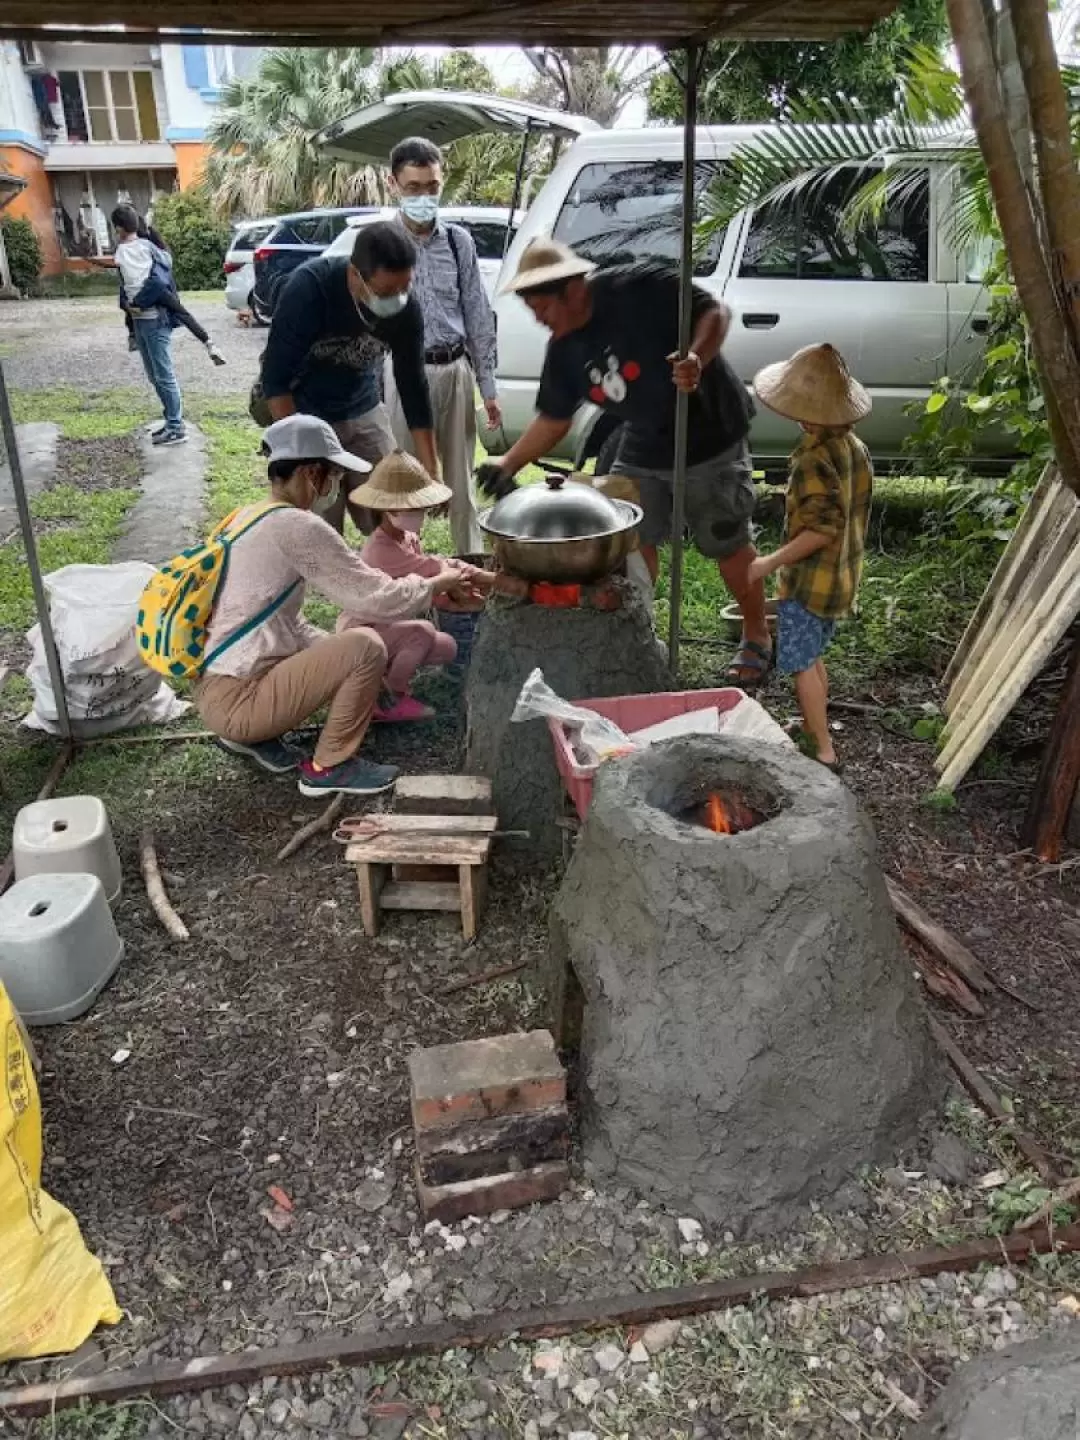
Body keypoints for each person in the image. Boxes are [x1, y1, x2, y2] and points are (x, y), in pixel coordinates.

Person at [476, 238, 772, 689]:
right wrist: (509, 463)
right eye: (533, 312)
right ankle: (641, 630)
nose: (541, 322)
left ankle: (757, 635)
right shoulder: (564, 349)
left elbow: (715, 312)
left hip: (710, 429)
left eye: (544, 310)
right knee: (629, 537)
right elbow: (554, 420)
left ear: (574, 290)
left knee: (726, 542)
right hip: (644, 437)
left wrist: (697, 357)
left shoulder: (638, 287)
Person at [195, 415, 474, 797]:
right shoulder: (298, 526)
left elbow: (284, 624)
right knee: (367, 645)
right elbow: (375, 597)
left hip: (219, 689)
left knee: (348, 650)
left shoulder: (250, 515)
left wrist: (345, 666)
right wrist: (434, 584)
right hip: (239, 702)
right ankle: (328, 767)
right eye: (336, 475)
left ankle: (252, 736)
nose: (337, 485)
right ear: (312, 473)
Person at [259, 220, 438, 536]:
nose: (397, 299)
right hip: (308, 414)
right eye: (386, 291)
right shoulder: (309, 290)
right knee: (321, 528)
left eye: (404, 287)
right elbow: (275, 382)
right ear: (355, 274)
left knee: (395, 509)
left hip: (364, 408)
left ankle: (396, 578)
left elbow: (413, 387)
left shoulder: (405, 309)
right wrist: (304, 455)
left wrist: (431, 469)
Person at [748, 343, 874, 772]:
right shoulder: (854, 446)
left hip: (810, 583)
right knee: (813, 656)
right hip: (839, 580)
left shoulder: (812, 460)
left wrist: (770, 561)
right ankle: (813, 726)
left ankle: (822, 750)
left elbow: (821, 530)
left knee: (801, 664)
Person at [383, 136, 500, 557]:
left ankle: (469, 567)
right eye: (413, 187)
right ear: (393, 183)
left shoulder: (458, 242)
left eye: (431, 187)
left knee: (461, 483)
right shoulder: (379, 244)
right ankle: (402, 572)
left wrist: (487, 388)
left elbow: (478, 315)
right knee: (401, 485)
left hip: (454, 370)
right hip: (401, 374)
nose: (424, 196)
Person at [340, 450, 495, 722]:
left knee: (446, 646)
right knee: (422, 631)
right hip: (363, 630)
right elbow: (437, 569)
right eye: (413, 508)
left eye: (420, 507)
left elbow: (430, 582)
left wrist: (456, 595)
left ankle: (380, 675)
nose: (420, 514)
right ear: (389, 510)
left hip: (387, 624)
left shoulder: (407, 537)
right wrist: (494, 580)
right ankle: (390, 700)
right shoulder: (382, 549)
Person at [90, 205, 226, 367]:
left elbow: (114, 266)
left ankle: (133, 336)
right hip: (158, 291)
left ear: (119, 228)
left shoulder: (121, 251)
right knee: (183, 313)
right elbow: (167, 261)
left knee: (125, 301)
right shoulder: (148, 245)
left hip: (138, 297)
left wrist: (91, 260)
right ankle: (209, 343)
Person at [108, 206, 187, 447]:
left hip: (155, 319)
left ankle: (176, 427)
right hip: (140, 320)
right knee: (155, 376)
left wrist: (138, 302)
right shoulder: (134, 249)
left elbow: (161, 268)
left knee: (163, 375)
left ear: (119, 228)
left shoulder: (137, 249)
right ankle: (171, 420)